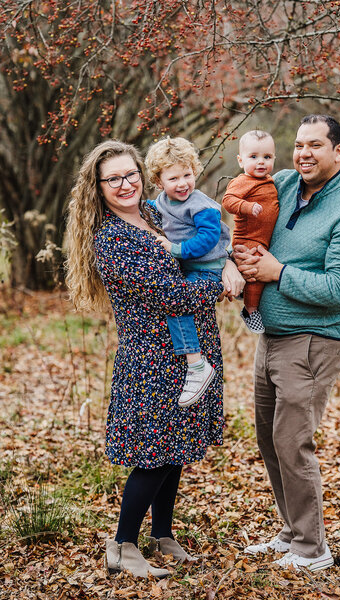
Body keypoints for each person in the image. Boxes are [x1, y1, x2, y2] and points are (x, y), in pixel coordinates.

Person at [65, 139, 244, 578]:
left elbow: (208, 241)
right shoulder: (112, 238)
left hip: (189, 351)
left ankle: (162, 535)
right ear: (98, 187)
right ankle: (123, 544)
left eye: (131, 174)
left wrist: (227, 262)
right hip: (151, 359)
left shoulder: (154, 213)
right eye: (114, 179)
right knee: (153, 454)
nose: (125, 184)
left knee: (176, 448)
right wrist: (222, 283)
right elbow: (173, 294)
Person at [234, 115, 340, 572]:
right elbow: (243, 211)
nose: (303, 154)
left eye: (315, 145)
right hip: (270, 338)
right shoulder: (281, 183)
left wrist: (278, 273)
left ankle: (313, 550)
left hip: (313, 344)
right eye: (298, 144)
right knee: (269, 439)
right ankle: (291, 533)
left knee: (292, 442)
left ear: (339, 151)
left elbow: (339, 290)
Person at [145, 136, 231, 408]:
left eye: (187, 174)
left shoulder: (200, 205)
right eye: (174, 178)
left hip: (208, 267)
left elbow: (208, 239)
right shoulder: (160, 202)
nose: (183, 183)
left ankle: (196, 366)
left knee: (178, 304)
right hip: (191, 268)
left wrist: (176, 249)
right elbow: (149, 211)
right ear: (159, 182)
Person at [222, 130, 279, 334]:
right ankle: (250, 309)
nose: (261, 162)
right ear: (240, 160)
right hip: (248, 240)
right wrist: (246, 206)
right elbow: (227, 201)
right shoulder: (242, 181)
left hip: (261, 239)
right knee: (254, 273)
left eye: (267, 157)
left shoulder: (268, 180)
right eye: (253, 157)